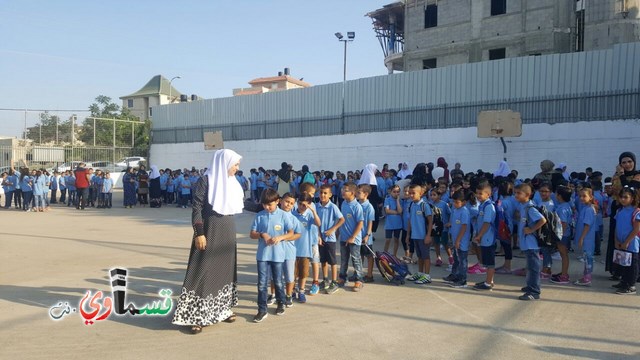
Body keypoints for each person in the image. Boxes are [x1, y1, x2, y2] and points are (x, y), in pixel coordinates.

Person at [172, 149, 244, 333]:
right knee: (203, 269)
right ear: (225, 163)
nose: (237, 168)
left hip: (228, 229)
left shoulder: (232, 183)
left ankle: (222, 309)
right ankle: (197, 315)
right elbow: (196, 207)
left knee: (225, 269)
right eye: (235, 164)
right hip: (210, 229)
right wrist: (199, 233)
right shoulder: (206, 180)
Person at [250, 188, 296, 323]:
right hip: (263, 255)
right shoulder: (259, 215)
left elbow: (291, 232)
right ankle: (262, 309)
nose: (267, 207)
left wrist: (280, 237)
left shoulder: (283, 215)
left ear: (277, 201)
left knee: (278, 281)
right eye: (264, 204)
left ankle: (281, 303)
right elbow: (252, 234)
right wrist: (262, 234)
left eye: (269, 204)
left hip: (278, 255)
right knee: (261, 284)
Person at [515, 183, 547, 300]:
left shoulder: (530, 208)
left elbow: (542, 220)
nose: (516, 195)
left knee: (533, 268)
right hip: (527, 243)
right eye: (515, 193)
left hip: (531, 243)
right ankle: (530, 286)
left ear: (527, 195)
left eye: (519, 193)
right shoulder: (523, 206)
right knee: (530, 266)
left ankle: (534, 291)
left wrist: (531, 229)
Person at [316, 183, 345, 294]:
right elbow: (316, 223)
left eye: (325, 193)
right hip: (321, 238)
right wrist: (318, 235)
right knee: (323, 260)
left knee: (332, 261)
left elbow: (341, 219)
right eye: (321, 193)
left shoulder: (333, 207)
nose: (323, 195)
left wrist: (332, 229)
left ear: (330, 195)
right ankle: (325, 279)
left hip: (330, 239)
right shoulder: (317, 206)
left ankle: (334, 281)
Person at [292, 193, 320, 303]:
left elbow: (318, 223)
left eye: (305, 205)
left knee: (303, 273)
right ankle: (292, 291)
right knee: (292, 273)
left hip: (305, 249)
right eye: (300, 204)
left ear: (309, 205)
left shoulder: (309, 216)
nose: (301, 207)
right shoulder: (292, 215)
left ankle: (301, 291)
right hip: (293, 249)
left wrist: (313, 211)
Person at [337, 182, 365, 291]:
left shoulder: (357, 206)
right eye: (343, 189)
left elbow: (360, 223)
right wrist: (338, 232)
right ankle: (342, 277)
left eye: (346, 190)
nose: (343, 191)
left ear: (352, 193)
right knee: (344, 259)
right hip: (344, 238)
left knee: (356, 259)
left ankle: (359, 280)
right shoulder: (343, 203)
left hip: (354, 239)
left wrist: (353, 236)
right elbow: (341, 220)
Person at [612, 186, 639, 294]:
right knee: (623, 263)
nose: (622, 199)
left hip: (631, 244)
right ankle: (624, 281)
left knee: (632, 265)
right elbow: (616, 227)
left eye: (626, 197)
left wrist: (627, 241)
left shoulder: (636, 212)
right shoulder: (619, 211)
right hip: (620, 243)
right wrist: (616, 240)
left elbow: (636, 229)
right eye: (621, 197)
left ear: (632, 198)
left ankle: (631, 285)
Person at [405, 183, 434, 284]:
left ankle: (427, 275)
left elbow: (430, 221)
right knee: (420, 256)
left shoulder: (424, 206)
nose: (411, 195)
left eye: (414, 193)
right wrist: (408, 235)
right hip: (415, 235)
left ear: (421, 193)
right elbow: (410, 221)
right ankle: (420, 273)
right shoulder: (412, 205)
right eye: (410, 193)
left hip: (423, 236)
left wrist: (428, 235)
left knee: (426, 256)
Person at [444, 189, 471, 288]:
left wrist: (458, 240)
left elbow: (464, 227)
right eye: (453, 202)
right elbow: (455, 222)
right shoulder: (455, 210)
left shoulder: (464, 212)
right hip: (455, 239)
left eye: (457, 202)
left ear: (464, 202)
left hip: (461, 241)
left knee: (462, 260)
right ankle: (455, 275)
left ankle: (462, 279)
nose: (454, 204)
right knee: (456, 259)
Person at [473, 182, 497, 291]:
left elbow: (487, 223)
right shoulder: (482, 205)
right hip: (484, 238)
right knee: (487, 261)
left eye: (480, 194)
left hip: (488, 238)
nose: (478, 196)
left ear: (488, 194)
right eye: (477, 193)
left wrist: (480, 235)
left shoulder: (489, 207)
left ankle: (488, 283)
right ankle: (489, 280)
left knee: (489, 262)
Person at [549, 185, 573, 284]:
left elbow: (563, 223)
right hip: (565, 233)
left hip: (562, 234)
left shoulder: (562, 208)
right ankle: (563, 272)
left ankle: (564, 275)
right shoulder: (566, 205)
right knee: (564, 254)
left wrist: (558, 235)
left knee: (563, 254)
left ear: (559, 196)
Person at [574, 187, 598, 286]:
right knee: (586, 256)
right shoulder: (586, 208)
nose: (581, 198)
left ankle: (587, 278)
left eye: (584, 196)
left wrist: (581, 237)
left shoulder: (589, 209)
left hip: (587, 238)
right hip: (587, 238)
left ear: (591, 197)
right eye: (580, 196)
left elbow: (587, 225)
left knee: (588, 257)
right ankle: (585, 276)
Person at [357, 184, 376, 283]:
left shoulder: (369, 207)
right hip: (357, 235)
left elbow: (370, 222)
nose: (357, 194)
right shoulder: (356, 205)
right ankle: (359, 273)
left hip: (365, 236)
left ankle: (369, 275)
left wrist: (367, 235)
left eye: (359, 192)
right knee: (359, 255)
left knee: (369, 256)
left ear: (366, 194)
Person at [383, 184, 403, 257]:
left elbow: (400, 211)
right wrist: (397, 212)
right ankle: (385, 254)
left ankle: (394, 255)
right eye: (394, 192)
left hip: (398, 223)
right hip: (389, 224)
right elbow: (387, 211)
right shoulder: (387, 199)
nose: (396, 193)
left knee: (396, 239)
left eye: (398, 192)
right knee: (388, 239)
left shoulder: (400, 201)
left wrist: (397, 201)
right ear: (390, 192)